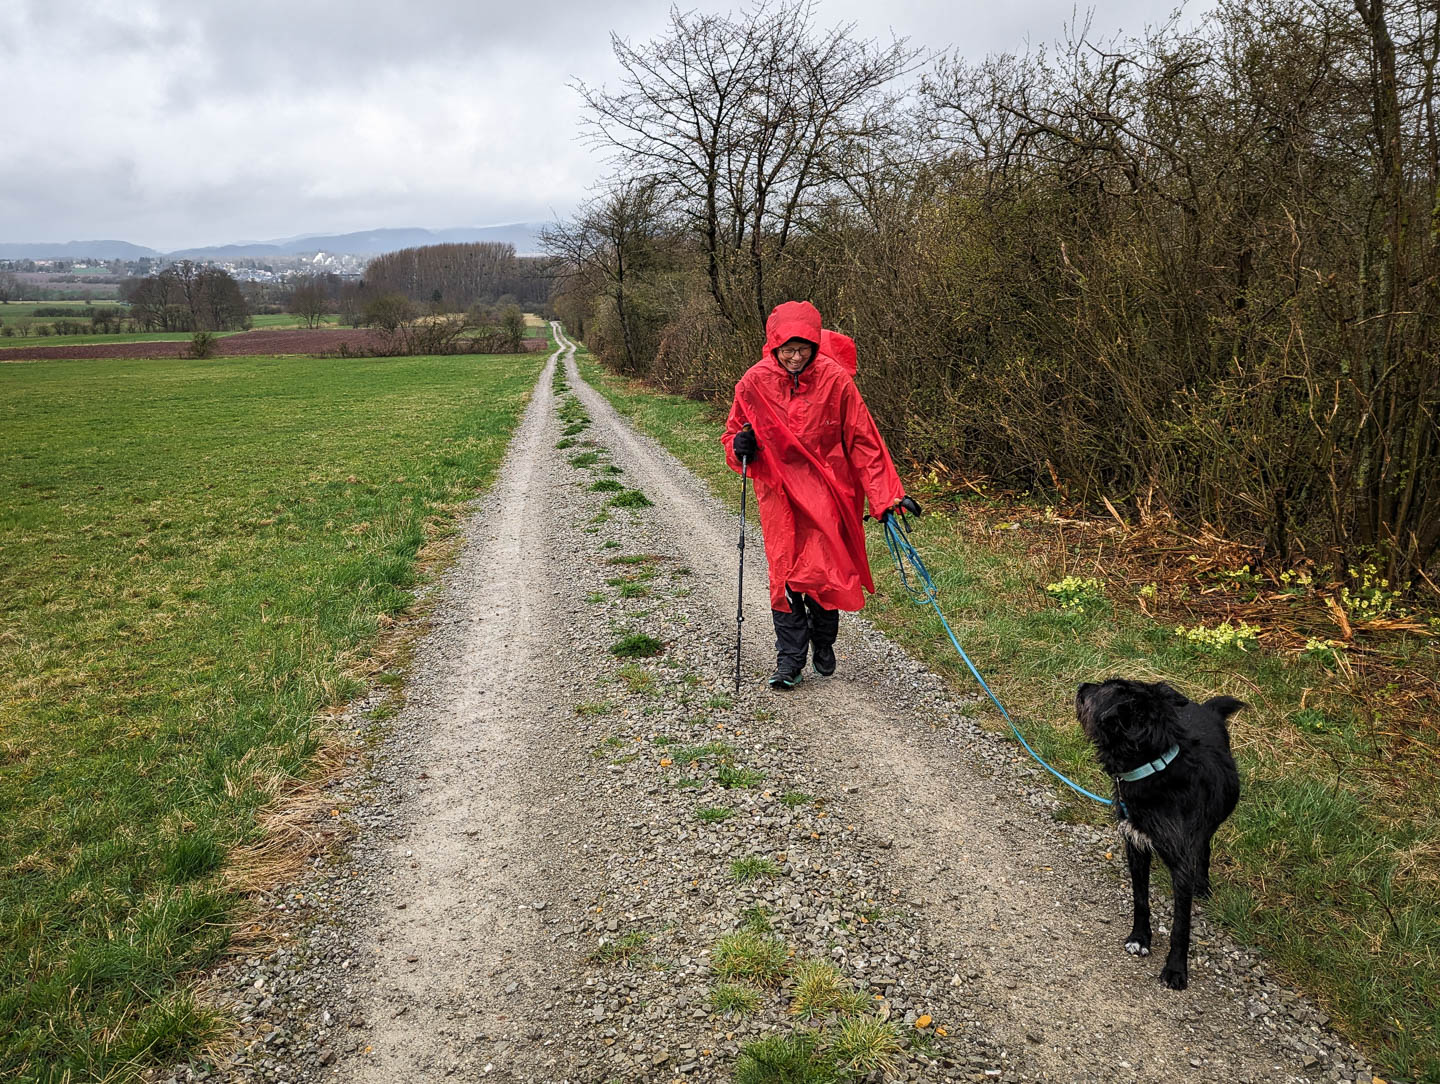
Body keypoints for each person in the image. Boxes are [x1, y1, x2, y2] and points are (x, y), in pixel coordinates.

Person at [722, 300, 920, 690]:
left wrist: (886, 498)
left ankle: (824, 640)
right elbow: (732, 434)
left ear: (815, 344)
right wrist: (739, 446)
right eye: (787, 350)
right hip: (779, 494)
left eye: (803, 349)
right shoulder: (753, 382)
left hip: (830, 491)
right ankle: (789, 661)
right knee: (785, 576)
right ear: (773, 347)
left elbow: (864, 442)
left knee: (826, 572)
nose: (795, 357)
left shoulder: (835, 379)